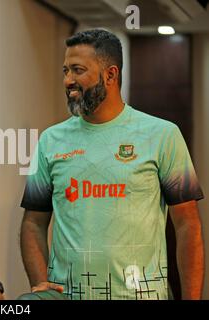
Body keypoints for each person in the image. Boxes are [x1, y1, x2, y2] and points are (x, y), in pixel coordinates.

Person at [20, 29, 204, 300]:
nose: (68, 80)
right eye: (65, 70)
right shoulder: (51, 140)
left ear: (110, 74)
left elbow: (188, 225)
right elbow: (33, 223)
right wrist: (41, 285)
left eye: (77, 70)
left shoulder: (163, 135)